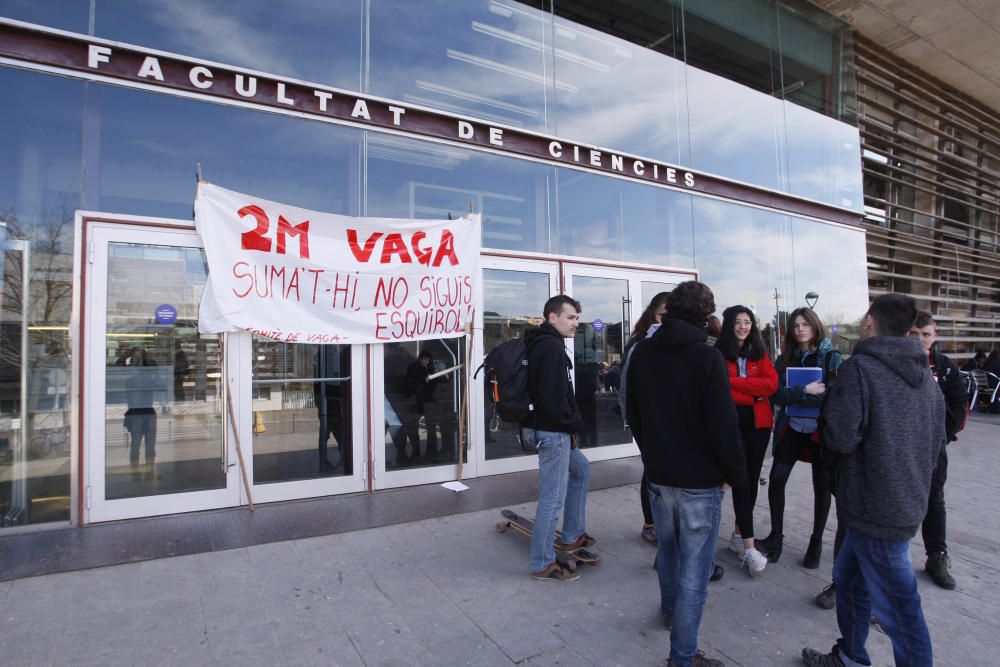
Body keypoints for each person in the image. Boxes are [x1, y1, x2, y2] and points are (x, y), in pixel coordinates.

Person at [802, 293, 945, 667]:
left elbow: (840, 438)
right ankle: (850, 655)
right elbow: (936, 444)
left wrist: (830, 408)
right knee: (848, 582)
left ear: (870, 322)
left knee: (900, 612)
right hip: (902, 504)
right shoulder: (926, 376)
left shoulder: (860, 370)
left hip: (875, 510)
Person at [627, 281, 743, 667]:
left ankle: (671, 613)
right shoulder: (706, 357)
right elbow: (723, 426)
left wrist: (652, 456)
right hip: (699, 481)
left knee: (670, 552)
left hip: (660, 475)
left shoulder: (643, 352)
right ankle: (683, 656)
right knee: (695, 570)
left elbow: (635, 414)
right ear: (706, 314)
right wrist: (732, 473)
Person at [758, 307, 842, 568]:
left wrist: (797, 394)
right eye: (795, 325)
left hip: (821, 431)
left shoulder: (831, 358)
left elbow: (836, 396)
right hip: (792, 427)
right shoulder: (784, 359)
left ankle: (815, 543)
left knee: (822, 487)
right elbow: (775, 395)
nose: (800, 329)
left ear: (815, 325)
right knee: (776, 479)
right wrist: (803, 392)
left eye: (805, 324)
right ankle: (776, 538)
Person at [522, 294, 594, 582]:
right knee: (552, 498)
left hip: (551, 427)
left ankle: (572, 535)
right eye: (570, 317)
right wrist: (572, 425)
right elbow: (553, 399)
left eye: (577, 317)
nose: (576, 323)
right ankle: (542, 563)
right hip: (553, 431)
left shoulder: (543, 344)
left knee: (581, 470)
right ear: (552, 317)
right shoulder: (550, 348)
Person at [715, 306, 775, 577]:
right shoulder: (717, 353)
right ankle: (748, 545)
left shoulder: (760, 352)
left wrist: (736, 383)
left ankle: (740, 534)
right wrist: (752, 390)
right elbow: (720, 387)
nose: (743, 326)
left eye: (747, 322)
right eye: (738, 322)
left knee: (751, 477)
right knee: (739, 477)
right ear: (729, 325)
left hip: (758, 424)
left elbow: (771, 386)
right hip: (731, 421)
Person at [909, 311, 967, 590]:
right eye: (915, 333)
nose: (920, 339)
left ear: (935, 336)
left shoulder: (945, 368)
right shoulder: (894, 363)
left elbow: (959, 404)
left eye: (926, 334)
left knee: (935, 499)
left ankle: (937, 556)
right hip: (899, 447)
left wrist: (943, 435)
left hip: (933, 449)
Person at [619, 291, 670, 546]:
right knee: (653, 469)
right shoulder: (641, 343)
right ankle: (651, 524)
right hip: (647, 419)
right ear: (652, 314)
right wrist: (634, 418)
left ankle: (661, 522)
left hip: (668, 418)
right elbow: (627, 387)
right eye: (663, 314)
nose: (667, 319)